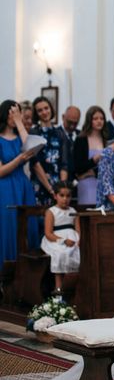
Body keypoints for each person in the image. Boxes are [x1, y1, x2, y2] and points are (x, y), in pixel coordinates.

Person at [0, 101, 39, 270]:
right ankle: (6, 275)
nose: (14, 116)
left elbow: (31, 148)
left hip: (23, 186)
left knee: (28, 227)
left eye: (18, 113)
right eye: (12, 113)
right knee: (9, 228)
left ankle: (28, 275)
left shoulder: (21, 135)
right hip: (6, 186)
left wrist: (19, 123)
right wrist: (18, 160)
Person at [40, 181, 80, 295]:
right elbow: (48, 233)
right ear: (55, 196)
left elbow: (78, 230)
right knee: (60, 253)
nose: (65, 199)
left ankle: (72, 286)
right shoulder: (51, 211)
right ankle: (59, 287)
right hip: (55, 239)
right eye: (62, 195)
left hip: (73, 239)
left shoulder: (73, 212)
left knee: (77, 253)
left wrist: (79, 241)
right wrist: (63, 240)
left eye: (68, 196)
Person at [30, 96, 69, 206]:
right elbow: (35, 163)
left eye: (46, 108)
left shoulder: (61, 134)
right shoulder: (33, 133)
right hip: (39, 184)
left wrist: (62, 189)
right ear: (36, 114)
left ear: (51, 109)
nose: (44, 112)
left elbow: (64, 164)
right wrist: (50, 189)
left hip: (58, 187)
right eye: (40, 110)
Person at [73, 106, 107, 206]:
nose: (99, 121)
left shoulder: (105, 138)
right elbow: (78, 166)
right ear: (89, 120)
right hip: (86, 183)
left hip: (102, 183)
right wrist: (94, 159)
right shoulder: (81, 139)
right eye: (95, 119)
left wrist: (93, 172)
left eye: (101, 118)